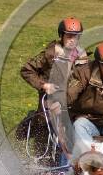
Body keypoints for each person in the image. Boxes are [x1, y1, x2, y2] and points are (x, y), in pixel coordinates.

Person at [19, 18, 89, 156]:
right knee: (44, 149)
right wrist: (44, 85)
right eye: (69, 36)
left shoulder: (83, 56)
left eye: (76, 36)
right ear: (61, 35)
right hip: (51, 105)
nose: (72, 40)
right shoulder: (50, 54)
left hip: (74, 105)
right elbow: (26, 70)